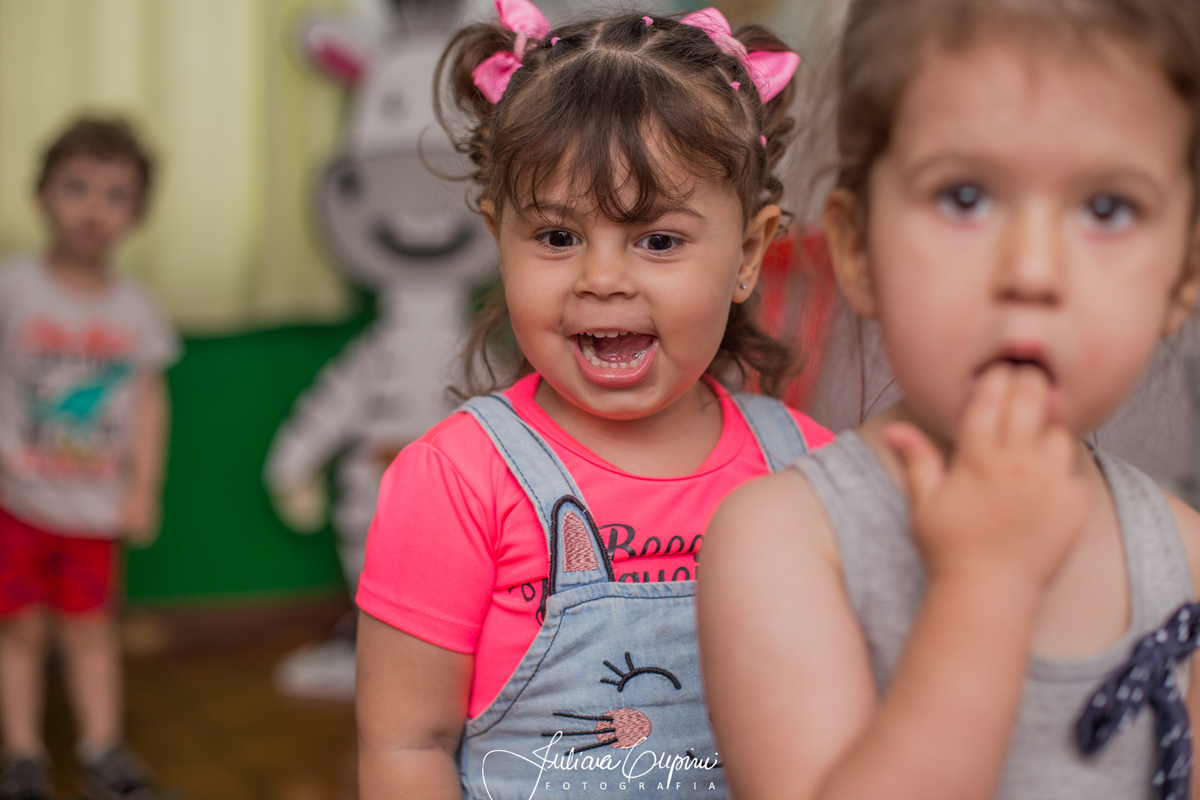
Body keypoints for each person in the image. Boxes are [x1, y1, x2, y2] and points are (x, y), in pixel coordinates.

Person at [697, 0, 1200, 798]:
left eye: (1107, 208)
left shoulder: (1185, 562)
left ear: (1180, 276)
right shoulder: (785, 542)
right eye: (965, 197)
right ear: (860, 251)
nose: (1032, 269)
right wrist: (984, 589)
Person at [354, 2, 828, 797]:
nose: (602, 279)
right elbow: (407, 746)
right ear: (499, 237)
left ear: (749, 252)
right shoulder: (456, 482)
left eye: (659, 241)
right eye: (558, 237)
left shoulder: (812, 472)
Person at [0, 118, 178, 800]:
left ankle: (102, 749)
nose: (93, 208)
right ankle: (22, 755)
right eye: (76, 187)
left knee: (91, 632)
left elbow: (148, 403)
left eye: (115, 194)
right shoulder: (13, 287)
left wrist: (144, 487)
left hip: (94, 510)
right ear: (41, 195)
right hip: (17, 500)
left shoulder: (136, 310)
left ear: (137, 214)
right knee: (19, 631)